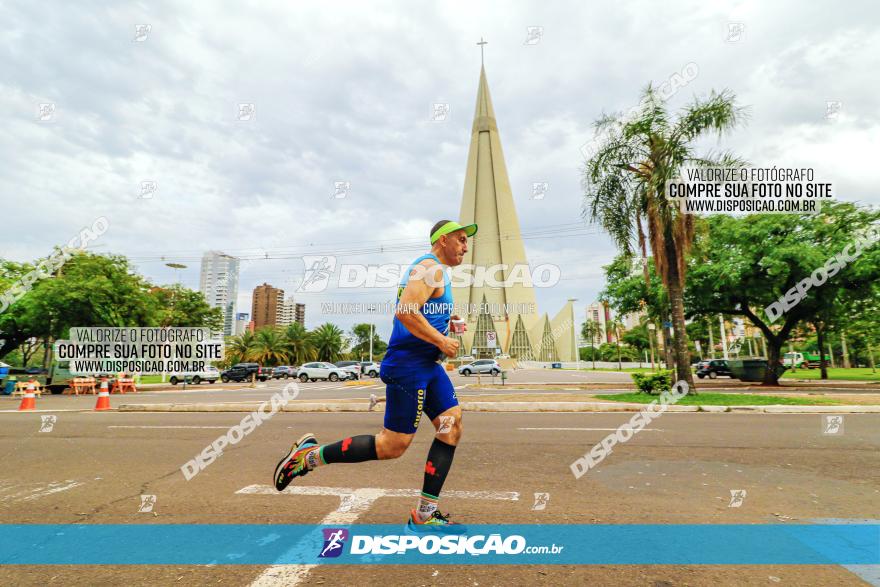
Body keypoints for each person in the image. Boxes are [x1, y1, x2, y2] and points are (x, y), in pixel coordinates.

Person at [273, 219, 477, 533]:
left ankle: (425, 514)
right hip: (408, 366)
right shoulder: (429, 267)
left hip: (427, 365)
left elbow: (423, 309)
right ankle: (307, 458)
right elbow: (406, 311)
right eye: (461, 240)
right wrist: (441, 340)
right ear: (443, 239)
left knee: (451, 426)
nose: (465, 246)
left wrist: (448, 320)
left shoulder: (440, 274)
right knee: (391, 446)